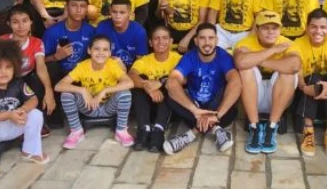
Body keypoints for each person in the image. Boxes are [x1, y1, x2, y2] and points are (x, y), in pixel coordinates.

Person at [0, 38, 48, 186]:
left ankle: (30, 150)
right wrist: (8, 115)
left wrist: (23, 110)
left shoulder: (18, 83)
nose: (4, 72)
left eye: (8, 67)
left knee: (35, 114)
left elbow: (34, 100)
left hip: (14, 125)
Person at [162, 23, 240, 155]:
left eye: (211, 38)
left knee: (234, 85)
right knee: (170, 92)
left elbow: (236, 82)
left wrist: (216, 115)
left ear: (217, 40)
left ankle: (190, 135)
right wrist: (196, 111)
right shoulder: (189, 57)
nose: (207, 42)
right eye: (202, 38)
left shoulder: (224, 57)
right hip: (193, 112)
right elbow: (172, 81)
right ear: (196, 41)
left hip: (220, 112)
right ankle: (217, 130)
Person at [233, 11, 301, 155]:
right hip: (252, 96)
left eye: (274, 28)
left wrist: (256, 59)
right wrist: (274, 50)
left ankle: (271, 127)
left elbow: (294, 65)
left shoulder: (287, 42)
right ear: (256, 29)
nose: (271, 32)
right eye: (265, 28)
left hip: (277, 97)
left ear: (280, 30)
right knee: (245, 69)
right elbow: (241, 62)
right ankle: (254, 127)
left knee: (288, 73)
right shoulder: (246, 42)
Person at [56, 35, 135, 148]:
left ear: (109, 52)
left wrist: (105, 91)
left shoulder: (112, 65)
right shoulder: (82, 66)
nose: (100, 53)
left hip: (109, 107)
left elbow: (130, 83)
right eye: (96, 49)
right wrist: (82, 90)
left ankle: (121, 131)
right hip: (89, 107)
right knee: (66, 95)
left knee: (125, 93)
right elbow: (59, 86)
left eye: (105, 49)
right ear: (89, 50)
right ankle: (76, 131)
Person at [290, 9, 327, 158]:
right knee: (314, 78)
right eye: (313, 26)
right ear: (306, 28)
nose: (318, 31)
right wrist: (304, 87)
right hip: (307, 90)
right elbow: (298, 68)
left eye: (323, 27)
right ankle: (308, 131)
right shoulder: (298, 43)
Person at [129, 25, 182, 153]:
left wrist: (161, 82)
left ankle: (159, 130)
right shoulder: (145, 60)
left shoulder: (178, 58)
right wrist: (147, 87)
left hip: (168, 107)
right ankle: (144, 128)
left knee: (170, 84)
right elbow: (131, 76)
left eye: (165, 38)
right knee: (140, 80)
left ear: (171, 42)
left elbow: (185, 79)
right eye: (156, 38)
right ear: (150, 43)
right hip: (147, 105)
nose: (161, 42)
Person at [2, 5, 56, 130]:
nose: (21, 26)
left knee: (38, 80)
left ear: (31, 22)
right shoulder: (2, 42)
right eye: (15, 22)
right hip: (7, 80)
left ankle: (40, 123)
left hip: (26, 79)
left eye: (25, 21)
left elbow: (41, 67)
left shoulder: (36, 42)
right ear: (8, 24)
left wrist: (49, 91)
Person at [42, 0, 95, 104]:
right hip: (60, 76)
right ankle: (55, 114)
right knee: (51, 67)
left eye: (82, 6)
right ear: (66, 7)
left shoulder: (91, 31)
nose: (78, 10)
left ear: (86, 9)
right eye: (74, 5)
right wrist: (56, 57)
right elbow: (40, 61)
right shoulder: (52, 32)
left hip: (82, 75)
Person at [95, 0, 148, 69]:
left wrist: (125, 75)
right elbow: (96, 55)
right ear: (110, 12)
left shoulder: (139, 31)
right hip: (107, 68)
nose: (117, 16)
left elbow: (141, 62)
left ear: (130, 14)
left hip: (131, 71)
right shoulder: (102, 27)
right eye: (114, 12)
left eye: (122, 13)